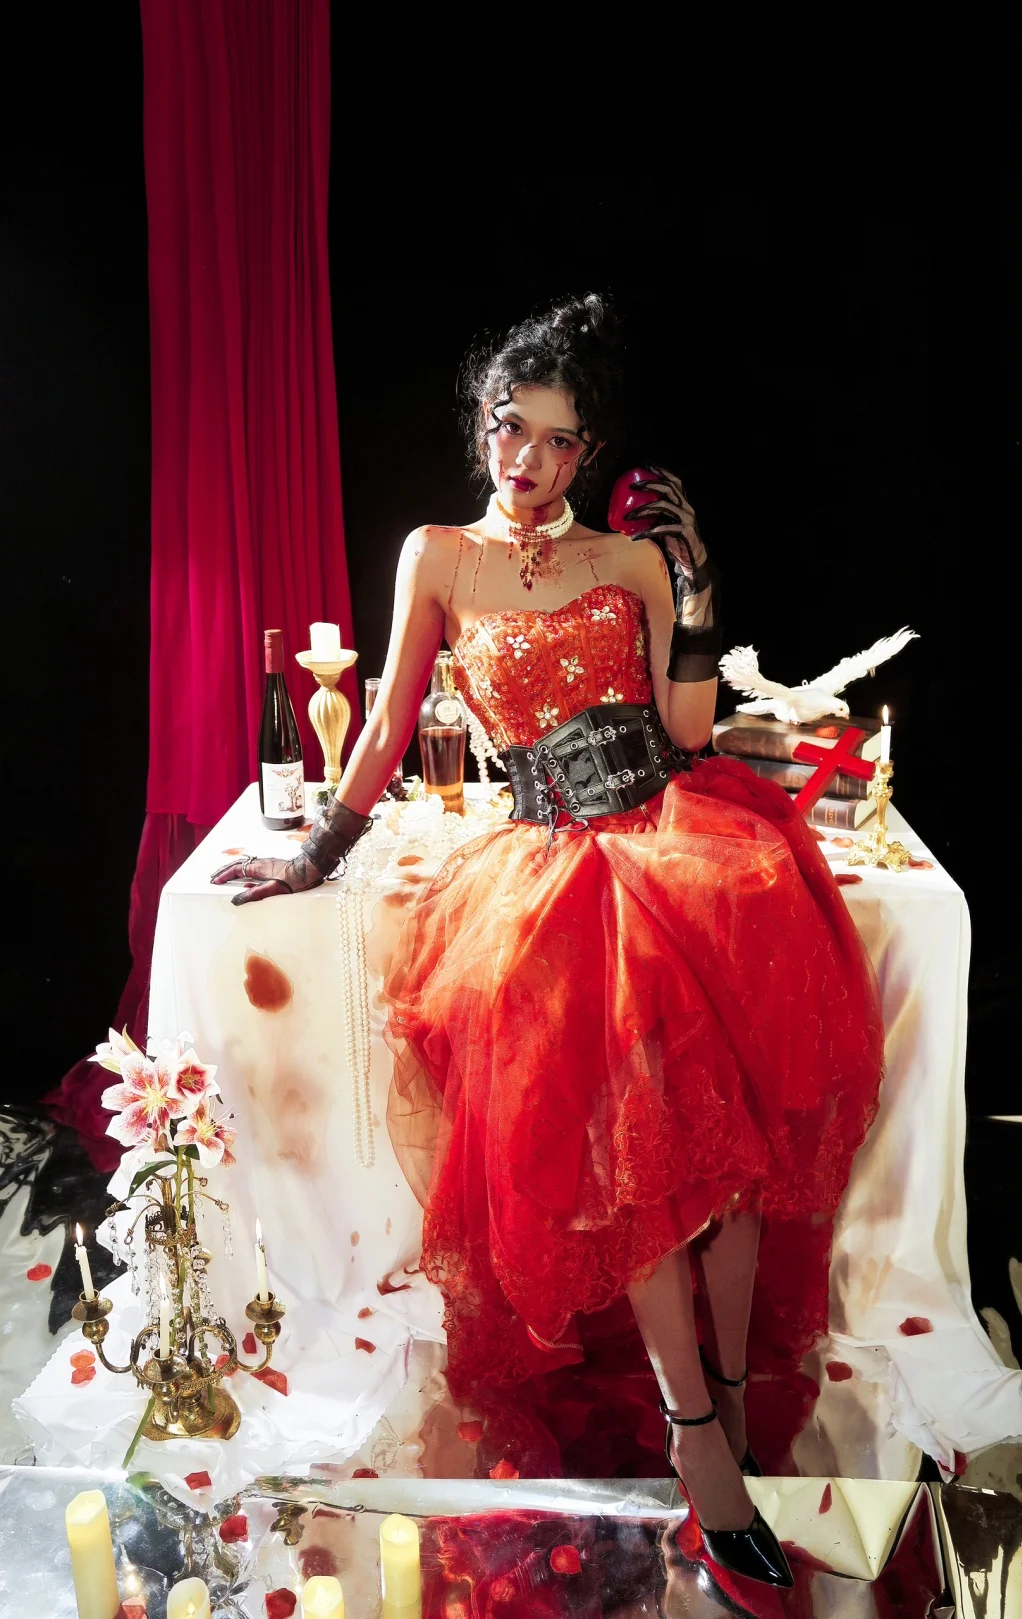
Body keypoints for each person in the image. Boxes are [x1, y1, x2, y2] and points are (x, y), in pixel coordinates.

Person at [213, 294, 884, 1594]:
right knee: (639, 1143)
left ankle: (731, 1401)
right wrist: (316, 851)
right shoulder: (437, 555)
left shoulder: (628, 561)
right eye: (506, 426)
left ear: (589, 453)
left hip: (674, 835)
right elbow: (387, 720)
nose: (523, 456)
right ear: (482, 426)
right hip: (545, 861)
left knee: (735, 1159)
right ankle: (698, 1435)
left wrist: (695, 590)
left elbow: (684, 733)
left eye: (554, 438)